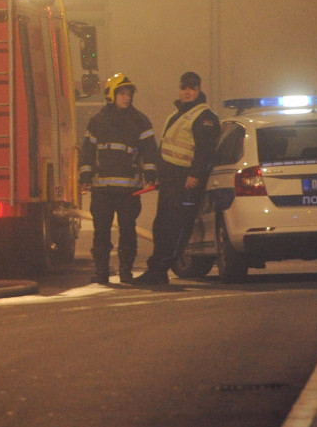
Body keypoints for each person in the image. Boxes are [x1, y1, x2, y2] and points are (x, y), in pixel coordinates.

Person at [132, 71, 220, 286]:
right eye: (183, 88)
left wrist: (195, 175)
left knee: (177, 225)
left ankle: (162, 267)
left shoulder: (204, 117)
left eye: (191, 88)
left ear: (199, 90)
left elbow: (205, 151)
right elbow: (166, 148)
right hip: (171, 181)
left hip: (186, 182)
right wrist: (160, 175)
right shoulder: (177, 114)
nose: (186, 91)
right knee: (162, 224)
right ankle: (156, 269)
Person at [79, 73, 159, 284]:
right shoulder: (98, 121)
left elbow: (150, 150)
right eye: (122, 93)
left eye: (129, 94)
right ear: (111, 95)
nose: (126, 97)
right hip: (102, 190)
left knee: (128, 233)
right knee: (101, 234)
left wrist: (151, 172)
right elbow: (87, 150)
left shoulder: (140, 121)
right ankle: (102, 272)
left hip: (128, 191)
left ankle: (126, 271)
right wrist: (85, 174)